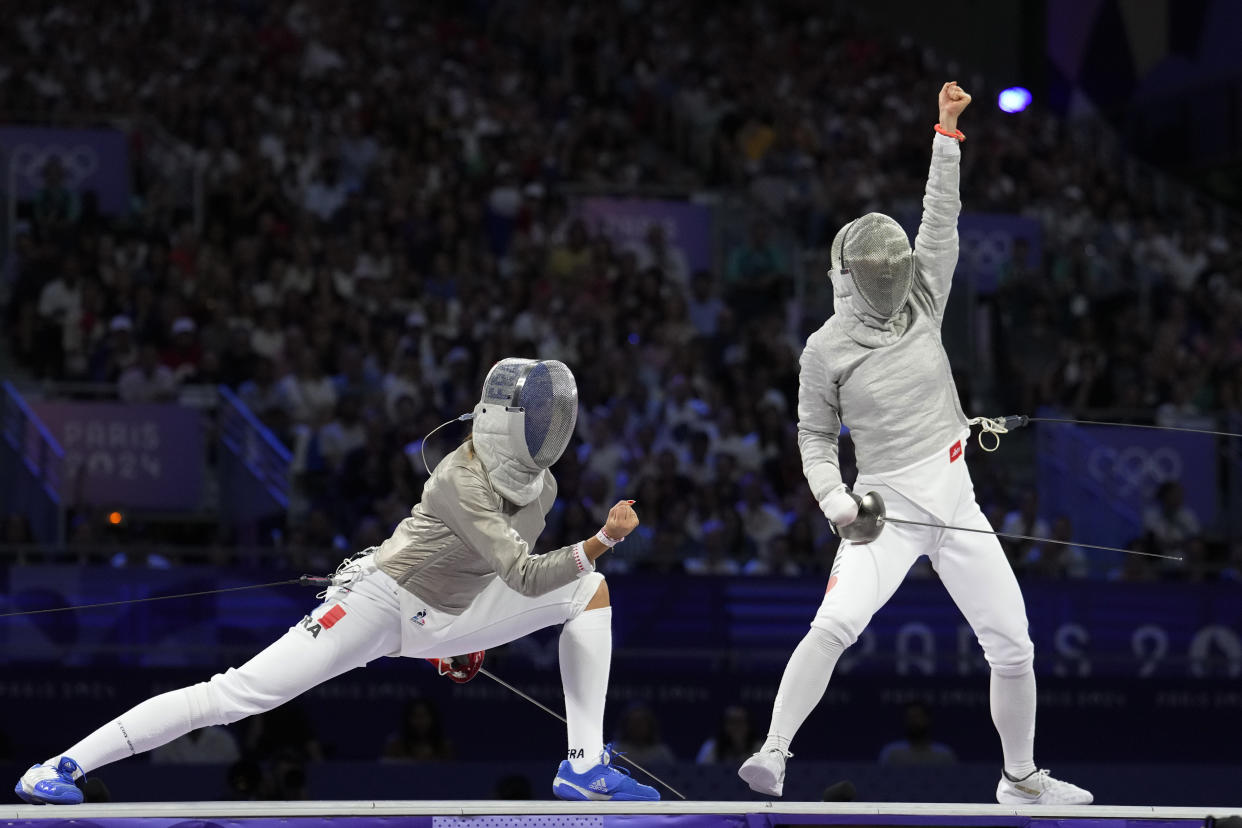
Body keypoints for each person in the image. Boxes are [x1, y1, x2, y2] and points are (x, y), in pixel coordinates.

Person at [16, 358, 658, 804]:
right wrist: (602, 541)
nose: (551, 425)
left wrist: (470, 637)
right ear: (506, 419)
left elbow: (504, 573)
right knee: (238, 694)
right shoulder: (455, 478)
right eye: (539, 415)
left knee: (586, 592)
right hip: (378, 603)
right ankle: (61, 766)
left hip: (445, 616)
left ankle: (585, 768)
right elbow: (521, 572)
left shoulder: (540, 485)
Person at [737, 84, 1091, 806]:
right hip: (884, 508)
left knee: (1014, 644)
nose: (896, 278)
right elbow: (811, 436)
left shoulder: (924, 294)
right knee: (833, 623)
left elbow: (940, 219)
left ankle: (1020, 779)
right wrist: (836, 502)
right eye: (881, 274)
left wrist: (946, 133)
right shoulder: (824, 350)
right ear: (847, 279)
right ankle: (773, 752)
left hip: (956, 494)